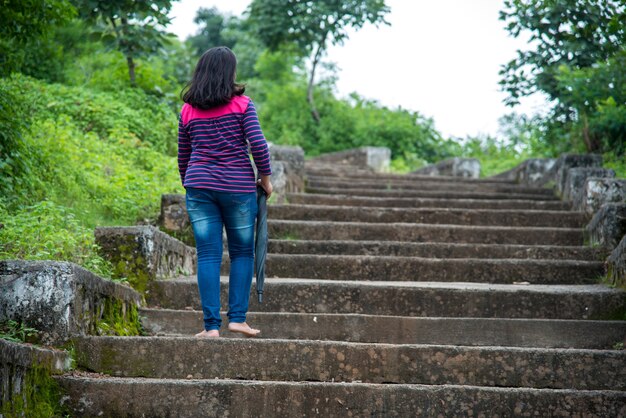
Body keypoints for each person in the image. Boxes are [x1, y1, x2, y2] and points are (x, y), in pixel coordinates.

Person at [178, 46, 273, 338]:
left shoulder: (188, 109)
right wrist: (266, 179)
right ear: (230, 72)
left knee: (208, 254)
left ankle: (210, 327)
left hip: (199, 187)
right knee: (242, 252)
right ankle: (237, 319)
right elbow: (258, 144)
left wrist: (192, 183)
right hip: (237, 187)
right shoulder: (242, 104)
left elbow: (183, 155)